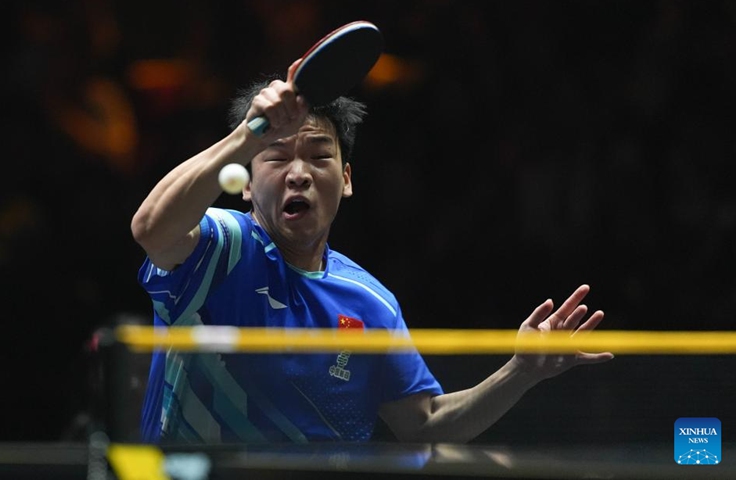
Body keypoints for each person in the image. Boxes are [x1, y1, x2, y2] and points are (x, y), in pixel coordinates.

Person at [131, 60, 614, 444]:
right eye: (276, 157)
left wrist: (520, 371)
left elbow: (424, 425)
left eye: (319, 156)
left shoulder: (370, 304)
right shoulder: (222, 249)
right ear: (247, 185)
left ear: (345, 180)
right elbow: (151, 229)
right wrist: (247, 136)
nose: (298, 172)